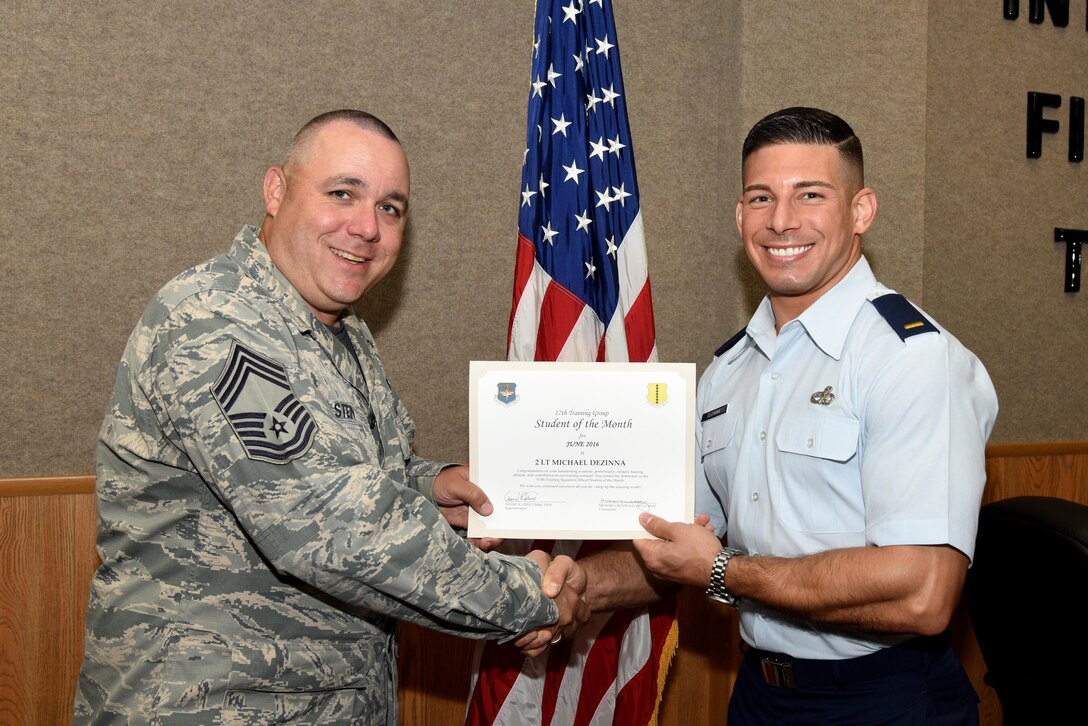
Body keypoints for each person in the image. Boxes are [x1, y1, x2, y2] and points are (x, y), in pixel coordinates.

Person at [75, 109, 588, 725]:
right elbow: (331, 524)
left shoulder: (342, 333)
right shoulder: (216, 323)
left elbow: (344, 465)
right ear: (276, 189)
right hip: (212, 704)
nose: (366, 227)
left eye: (390, 208)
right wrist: (526, 598)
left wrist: (429, 484)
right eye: (342, 193)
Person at [588, 107, 999, 724]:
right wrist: (571, 591)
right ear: (739, 216)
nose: (781, 221)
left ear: (861, 210)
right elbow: (679, 549)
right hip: (758, 693)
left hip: (884, 700)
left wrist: (724, 572)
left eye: (810, 194)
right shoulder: (730, 369)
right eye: (761, 197)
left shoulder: (913, 359)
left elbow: (923, 592)